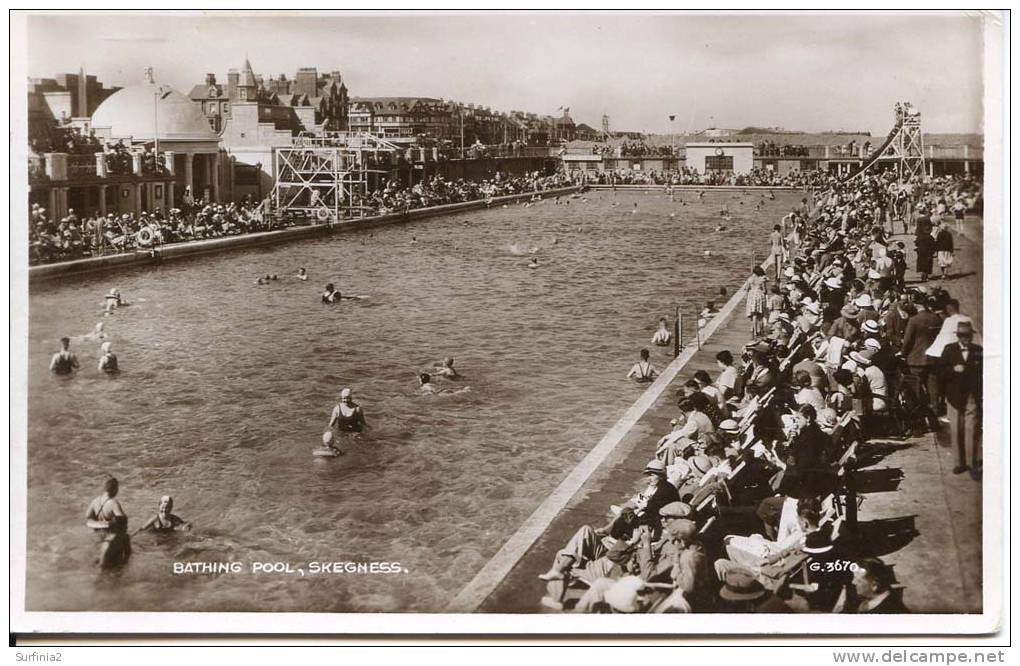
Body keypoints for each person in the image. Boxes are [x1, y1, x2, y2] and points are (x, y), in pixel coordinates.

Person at [939, 322, 982, 479]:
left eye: (968, 336)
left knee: (972, 428)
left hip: (972, 396)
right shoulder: (949, 350)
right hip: (954, 395)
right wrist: (952, 370)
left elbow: (984, 371)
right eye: (963, 336)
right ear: (958, 336)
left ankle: (972, 462)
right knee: (956, 429)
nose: (966, 339)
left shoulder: (978, 351)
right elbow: (940, 372)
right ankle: (959, 462)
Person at [834, 557, 908, 613]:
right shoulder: (858, 597)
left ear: (875, 585)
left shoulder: (893, 613)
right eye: (854, 578)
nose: (853, 582)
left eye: (858, 580)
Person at [85, 477, 131, 568]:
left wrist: (99, 523)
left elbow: (87, 516)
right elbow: (121, 520)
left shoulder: (95, 500)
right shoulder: (113, 503)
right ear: (115, 489)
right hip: (110, 537)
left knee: (97, 563)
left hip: (98, 536)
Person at [746, 266, 768, 338]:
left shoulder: (750, 279)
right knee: (760, 314)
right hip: (759, 295)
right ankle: (759, 329)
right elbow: (765, 290)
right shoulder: (762, 279)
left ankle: (754, 330)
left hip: (752, 295)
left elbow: (747, 288)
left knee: (753, 314)